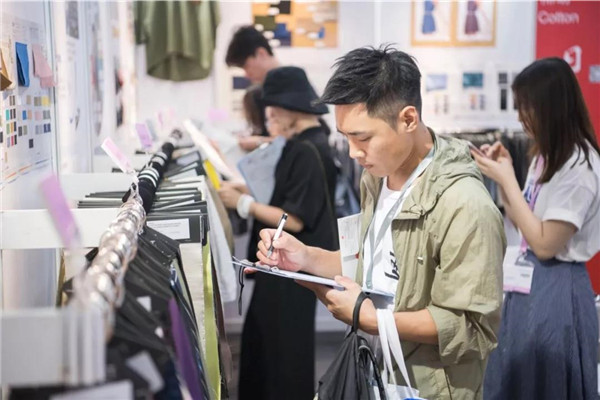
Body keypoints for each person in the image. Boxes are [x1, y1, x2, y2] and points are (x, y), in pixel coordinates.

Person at [255, 46, 506, 399]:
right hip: (373, 373)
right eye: (345, 136)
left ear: (408, 119)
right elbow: (373, 264)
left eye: (362, 138)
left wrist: (370, 318)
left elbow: (471, 327)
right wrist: (306, 257)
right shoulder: (376, 177)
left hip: (429, 387)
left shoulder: (466, 205)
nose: (353, 152)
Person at [473, 58, 600, 399]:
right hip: (530, 286)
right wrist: (506, 172)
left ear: (550, 106)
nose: (520, 117)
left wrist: (507, 180)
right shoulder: (546, 156)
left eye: (525, 107)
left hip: (558, 291)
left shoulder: (580, 165)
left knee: (546, 384)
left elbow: (545, 244)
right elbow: (524, 222)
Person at [218, 66, 338, 400]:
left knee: (282, 351)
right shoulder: (305, 144)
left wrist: (243, 204)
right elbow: (285, 194)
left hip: (292, 266)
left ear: (287, 108)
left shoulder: (308, 151)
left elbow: (294, 219)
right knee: (272, 343)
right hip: (286, 265)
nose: (269, 118)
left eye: (272, 111)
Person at [226, 26, 330, 151]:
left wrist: (260, 142)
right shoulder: (260, 92)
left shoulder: (293, 82)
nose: (246, 75)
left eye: (246, 66)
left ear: (261, 53)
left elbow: (316, 134)